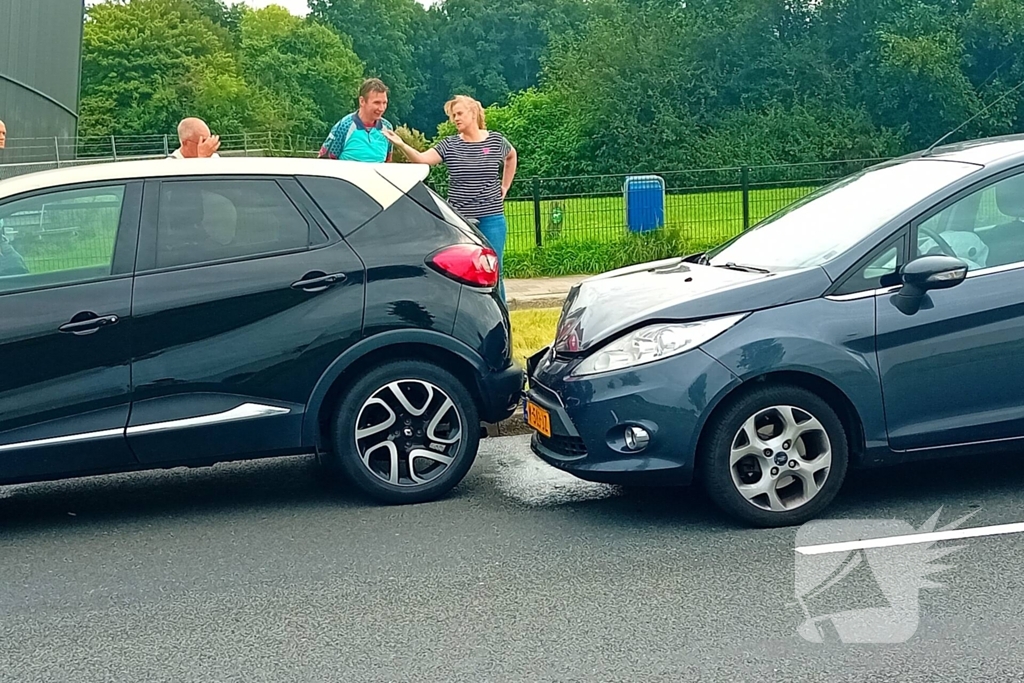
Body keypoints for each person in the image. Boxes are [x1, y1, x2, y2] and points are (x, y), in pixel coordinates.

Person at [383, 95, 517, 301]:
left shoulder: (495, 140)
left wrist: (505, 185)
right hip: (460, 221)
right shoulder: (450, 145)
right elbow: (422, 159)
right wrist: (401, 144)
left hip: (492, 218)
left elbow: (511, 156)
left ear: (473, 113)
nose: (455, 119)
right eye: (453, 116)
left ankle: (499, 315)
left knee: (493, 270)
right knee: (461, 272)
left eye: (459, 114)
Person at [318, 78, 394, 163]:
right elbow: (324, 162)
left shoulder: (387, 128)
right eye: (377, 103)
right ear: (362, 101)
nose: (381, 108)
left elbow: (388, 162)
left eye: (384, 103)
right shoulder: (344, 126)